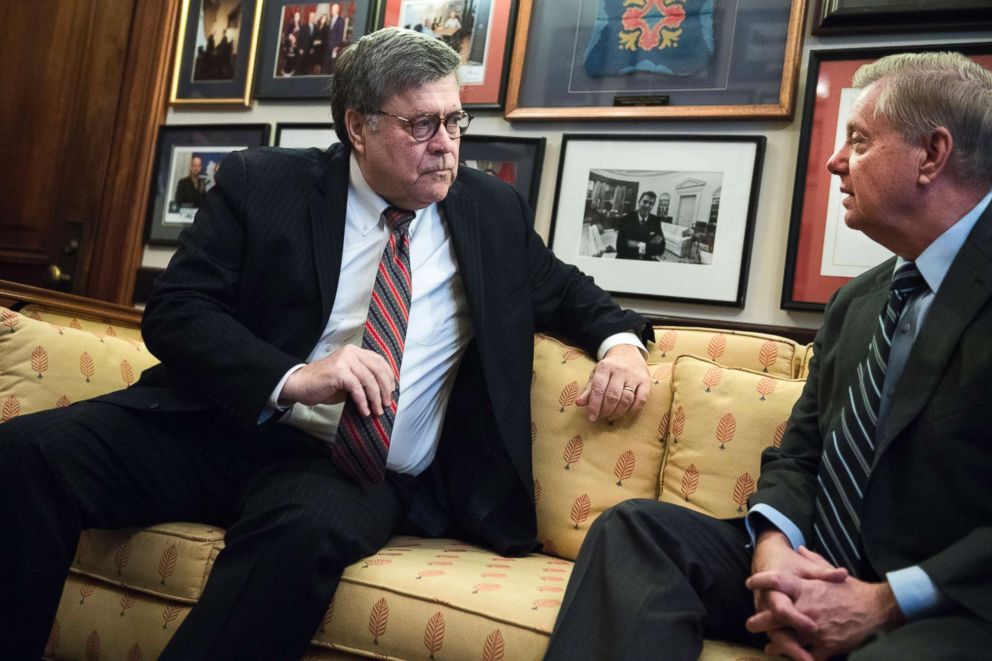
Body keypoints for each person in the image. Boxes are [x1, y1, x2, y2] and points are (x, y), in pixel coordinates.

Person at [0, 27, 653, 660]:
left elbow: (571, 294)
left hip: (348, 466)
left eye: (456, 121)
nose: (447, 145)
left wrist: (622, 344)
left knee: (299, 533)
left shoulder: (490, 211)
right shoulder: (264, 185)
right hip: (221, 425)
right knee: (28, 452)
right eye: (421, 124)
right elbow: (176, 312)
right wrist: (293, 376)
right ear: (358, 125)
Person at [545, 51, 992, 660]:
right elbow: (799, 454)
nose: (835, 162)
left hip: (946, 598)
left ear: (932, 156)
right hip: (818, 562)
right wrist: (773, 551)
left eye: (858, 142)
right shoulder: (858, 304)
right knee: (637, 530)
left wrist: (883, 602)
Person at [615, 190, 665, 260]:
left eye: (651, 203)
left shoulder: (655, 221)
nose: (647, 205)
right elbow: (620, 247)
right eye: (645, 202)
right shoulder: (626, 219)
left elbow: (661, 248)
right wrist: (650, 244)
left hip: (646, 260)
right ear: (639, 202)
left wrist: (634, 244)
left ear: (653, 206)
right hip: (627, 259)